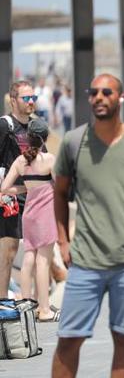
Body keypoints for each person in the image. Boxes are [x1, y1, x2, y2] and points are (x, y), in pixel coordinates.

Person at [51, 74, 124, 378]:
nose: (99, 97)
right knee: (69, 338)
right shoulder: (73, 142)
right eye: (93, 92)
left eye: (107, 92)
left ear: (120, 97)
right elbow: (60, 193)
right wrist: (63, 242)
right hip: (85, 262)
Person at [1, 119, 58, 321]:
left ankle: (27, 308)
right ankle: (45, 310)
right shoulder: (49, 160)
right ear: (45, 138)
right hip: (46, 215)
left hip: (29, 215)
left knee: (28, 259)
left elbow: (5, 188)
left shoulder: (20, 161)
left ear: (27, 137)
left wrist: (27, 188)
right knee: (43, 261)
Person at [0, 80, 37, 299]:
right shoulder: (5, 125)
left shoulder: (35, 126)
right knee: (9, 249)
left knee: (37, 249)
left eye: (34, 98)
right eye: (26, 98)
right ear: (14, 100)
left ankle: (32, 299)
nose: (31, 102)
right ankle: (3, 301)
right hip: (10, 196)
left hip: (32, 194)